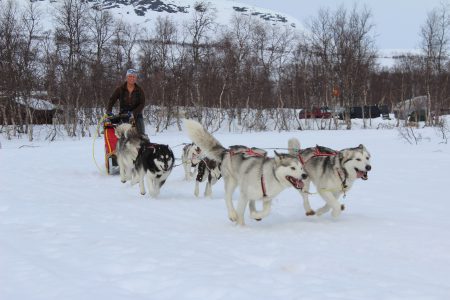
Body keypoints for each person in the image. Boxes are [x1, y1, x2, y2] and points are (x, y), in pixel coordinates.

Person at [106, 68, 148, 139]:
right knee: (124, 137)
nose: (132, 78)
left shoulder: (139, 90)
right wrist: (109, 110)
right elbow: (112, 100)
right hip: (123, 115)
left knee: (142, 136)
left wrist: (134, 113)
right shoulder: (120, 89)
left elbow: (142, 103)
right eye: (130, 76)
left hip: (137, 115)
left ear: (136, 78)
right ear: (127, 77)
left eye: (134, 76)